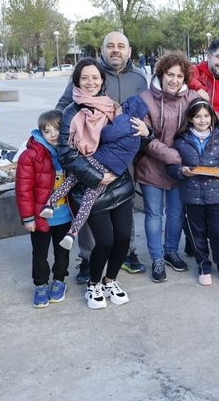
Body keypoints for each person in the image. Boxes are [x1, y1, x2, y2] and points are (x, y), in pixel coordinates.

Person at [136, 52, 219, 283]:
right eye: (169, 74)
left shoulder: (192, 97)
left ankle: (171, 251)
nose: (173, 80)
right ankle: (157, 258)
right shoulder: (145, 99)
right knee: (154, 213)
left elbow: (218, 123)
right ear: (161, 74)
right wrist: (174, 156)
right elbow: (146, 138)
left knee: (175, 213)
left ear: (185, 78)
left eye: (179, 76)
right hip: (154, 165)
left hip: (182, 168)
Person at [56, 31, 149, 281]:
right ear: (102, 50)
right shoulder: (90, 74)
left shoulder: (139, 78)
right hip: (91, 159)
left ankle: (126, 252)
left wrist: (144, 131)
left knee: (122, 209)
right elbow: (62, 110)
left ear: (129, 51)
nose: (115, 50)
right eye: (110, 46)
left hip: (124, 159)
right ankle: (87, 258)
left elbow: (146, 111)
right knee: (90, 209)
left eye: (121, 46)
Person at [41, 95, 149, 251]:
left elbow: (107, 135)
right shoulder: (139, 128)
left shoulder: (126, 120)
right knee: (88, 201)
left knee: (72, 179)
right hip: (113, 171)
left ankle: (50, 204)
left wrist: (104, 131)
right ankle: (72, 233)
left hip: (100, 161)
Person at [167, 98, 219, 286]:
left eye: (206, 116)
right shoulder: (181, 140)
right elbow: (171, 167)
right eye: (198, 116)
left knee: (218, 232)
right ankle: (203, 266)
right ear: (190, 118)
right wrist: (181, 171)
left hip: (217, 194)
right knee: (197, 233)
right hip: (192, 195)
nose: (202, 120)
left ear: (212, 118)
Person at [15, 110, 73, 308]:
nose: (53, 134)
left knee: (62, 251)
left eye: (57, 129)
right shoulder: (31, 155)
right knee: (39, 253)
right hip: (41, 217)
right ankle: (40, 284)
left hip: (64, 215)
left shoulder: (69, 151)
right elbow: (23, 189)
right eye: (47, 131)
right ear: (41, 133)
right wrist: (28, 217)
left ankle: (59, 280)